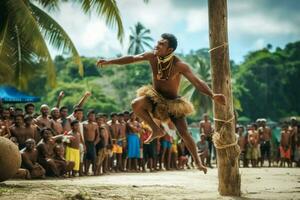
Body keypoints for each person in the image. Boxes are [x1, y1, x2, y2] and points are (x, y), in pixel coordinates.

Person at [97, 33, 226, 173]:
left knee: (184, 133)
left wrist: (213, 95)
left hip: (173, 103)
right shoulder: (152, 56)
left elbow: (197, 82)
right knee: (136, 104)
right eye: (157, 43)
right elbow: (132, 58)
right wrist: (110, 61)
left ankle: (198, 162)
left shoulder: (179, 65)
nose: (157, 45)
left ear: (169, 50)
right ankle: (156, 129)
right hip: (155, 98)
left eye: (161, 44)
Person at [83, 110, 99, 175]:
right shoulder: (84, 124)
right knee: (86, 158)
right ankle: (86, 171)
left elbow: (98, 135)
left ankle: (94, 172)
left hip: (93, 143)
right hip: (86, 142)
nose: (92, 117)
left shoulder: (95, 124)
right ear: (87, 116)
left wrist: (95, 142)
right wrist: (84, 143)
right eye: (91, 116)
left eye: (93, 116)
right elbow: (82, 134)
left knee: (94, 158)